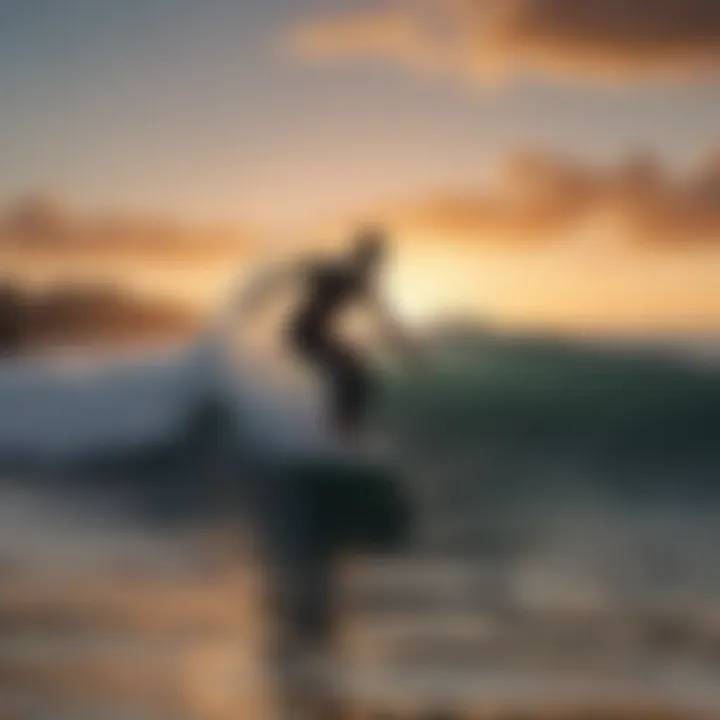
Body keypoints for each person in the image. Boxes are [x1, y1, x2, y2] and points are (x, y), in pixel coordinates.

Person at [234, 226, 407, 444]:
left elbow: (381, 318)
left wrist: (404, 347)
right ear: (360, 254)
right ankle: (338, 433)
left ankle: (341, 431)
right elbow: (292, 273)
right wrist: (258, 299)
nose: (373, 264)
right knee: (351, 376)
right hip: (304, 331)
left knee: (359, 379)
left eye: (376, 259)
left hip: (318, 334)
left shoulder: (361, 284)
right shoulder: (336, 272)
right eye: (371, 257)